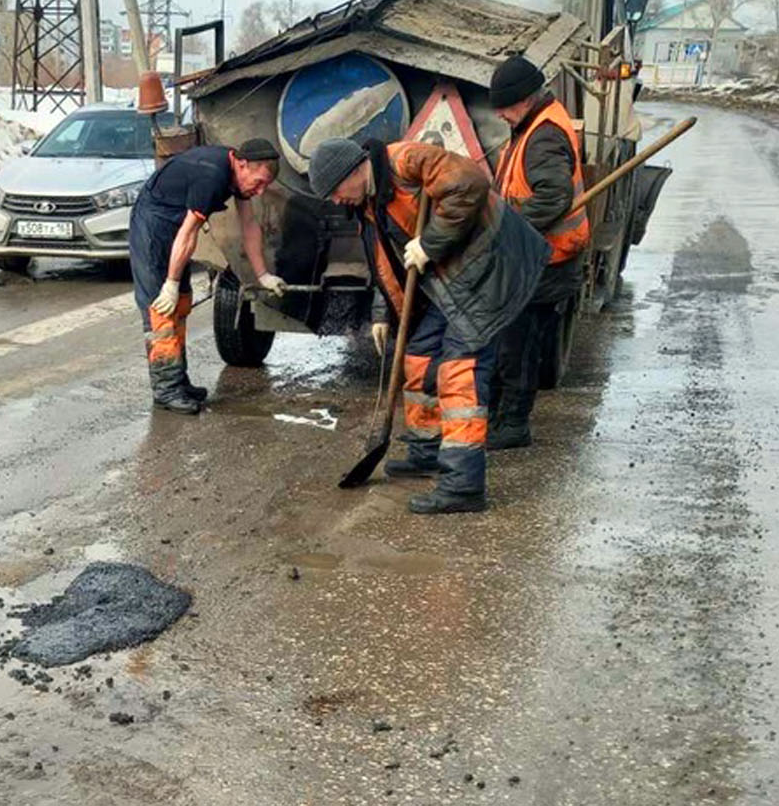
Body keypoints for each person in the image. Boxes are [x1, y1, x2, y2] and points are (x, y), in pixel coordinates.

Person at [308, 136, 548, 514]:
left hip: (491, 268)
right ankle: (426, 450)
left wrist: (430, 243)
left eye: (336, 191)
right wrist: (382, 313)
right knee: (417, 355)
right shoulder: (368, 205)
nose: (336, 201)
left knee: (459, 371)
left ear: (355, 171)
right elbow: (386, 262)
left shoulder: (406, 161)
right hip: (451, 280)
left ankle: (464, 484)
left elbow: (470, 183)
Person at [129, 139, 287, 414]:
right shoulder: (212, 176)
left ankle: (179, 381)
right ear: (241, 164)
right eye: (258, 182)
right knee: (161, 308)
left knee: (181, 303)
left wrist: (263, 276)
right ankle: (166, 390)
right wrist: (171, 283)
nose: (260, 191)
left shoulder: (237, 174)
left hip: (174, 224)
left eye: (265, 186)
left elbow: (249, 225)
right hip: (153, 225)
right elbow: (189, 233)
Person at [486, 55, 591, 450]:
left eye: (504, 106)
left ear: (524, 99)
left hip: (548, 261)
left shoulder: (544, 136)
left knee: (520, 347)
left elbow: (553, 197)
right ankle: (501, 416)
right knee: (512, 343)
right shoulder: (534, 124)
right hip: (539, 256)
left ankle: (513, 425)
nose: (500, 115)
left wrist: (504, 224)